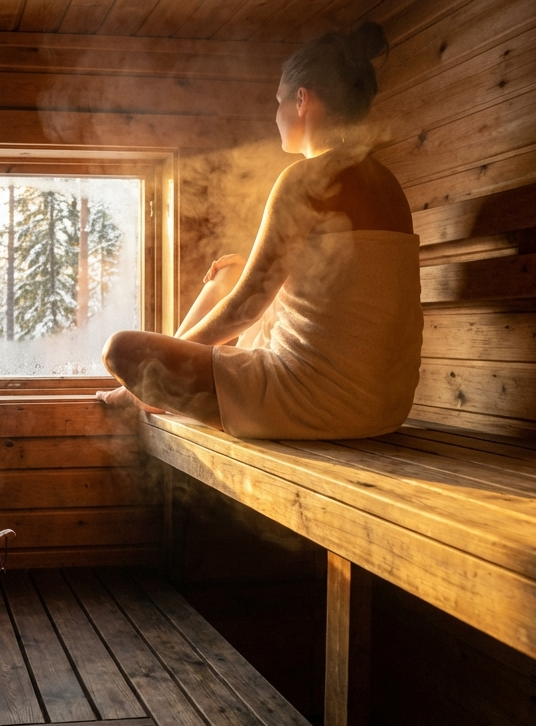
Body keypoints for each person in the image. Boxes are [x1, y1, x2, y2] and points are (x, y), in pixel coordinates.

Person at [98, 22, 422, 440]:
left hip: (313, 400)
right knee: (229, 276)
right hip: (387, 405)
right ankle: (152, 390)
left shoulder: (305, 178)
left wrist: (150, 371)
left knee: (121, 351)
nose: (276, 115)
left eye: (278, 101)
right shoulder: (388, 184)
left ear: (302, 99)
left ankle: (145, 392)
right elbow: (346, 295)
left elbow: (245, 308)